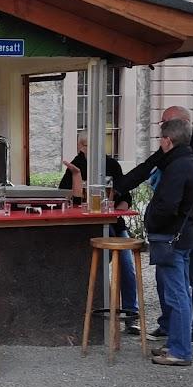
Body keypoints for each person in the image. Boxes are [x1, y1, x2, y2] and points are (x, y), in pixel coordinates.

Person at [114, 105, 193, 344]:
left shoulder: (189, 158)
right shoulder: (174, 154)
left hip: (187, 227)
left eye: (165, 124)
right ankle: (173, 331)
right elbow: (146, 168)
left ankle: (192, 336)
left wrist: (154, 223)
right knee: (173, 284)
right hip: (180, 229)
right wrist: (118, 187)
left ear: (179, 127)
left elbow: (171, 202)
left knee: (191, 283)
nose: (160, 127)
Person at [135, 118, 193, 366]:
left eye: (160, 139)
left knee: (176, 296)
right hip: (181, 237)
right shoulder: (189, 162)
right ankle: (176, 344)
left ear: (167, 140)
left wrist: (153, 221)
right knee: (180, 292)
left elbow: (167, 205)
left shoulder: (179, 166)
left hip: (171, 238)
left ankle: (180, 350)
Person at [60, 135, 138, 326]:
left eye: (96, 144)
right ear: (80, 146)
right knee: (102, 264)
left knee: (127, 266)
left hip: (115, 225)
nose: (92, 149)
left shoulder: (111, 164)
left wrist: (118, 210)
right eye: (87, 145)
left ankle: (131, 314)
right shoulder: (75, 167)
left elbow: (126, 195)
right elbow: (64, 197)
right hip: (90, 228)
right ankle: (104, 309)